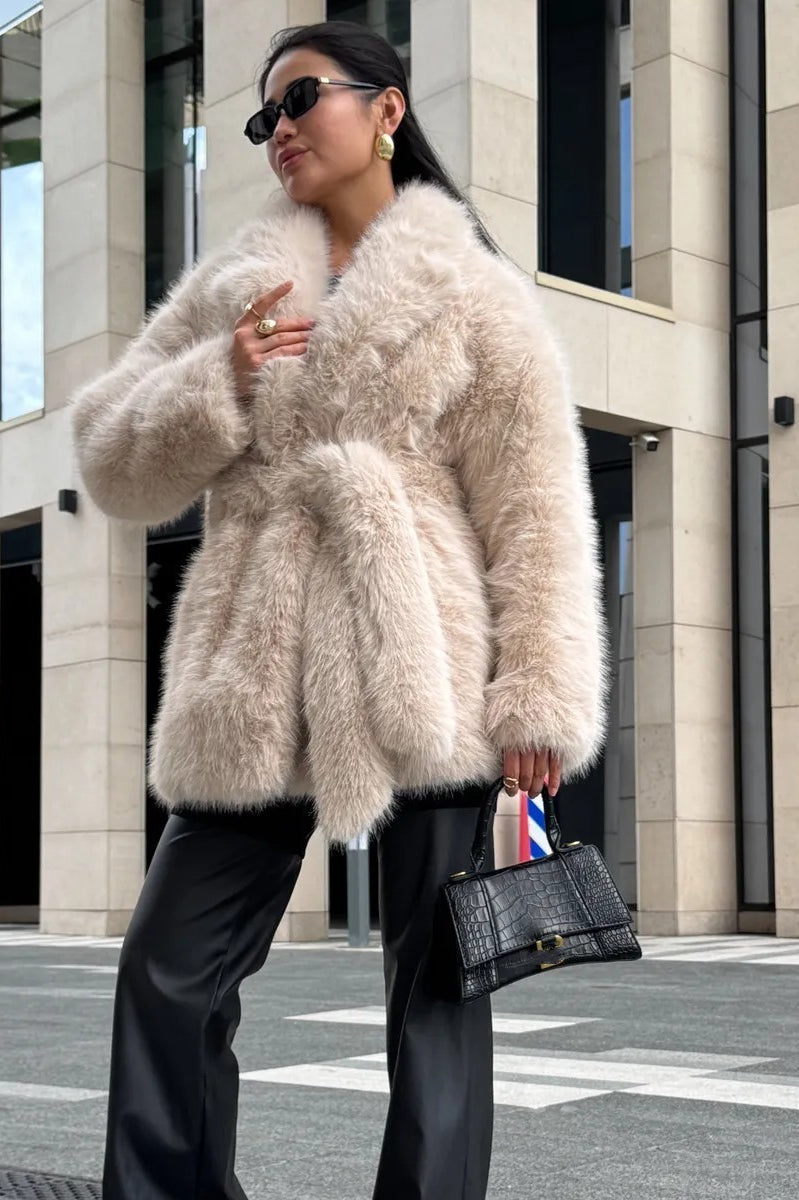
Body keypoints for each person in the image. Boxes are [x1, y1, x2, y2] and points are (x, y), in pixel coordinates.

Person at [70, 19, 609, 1200]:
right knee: (167, 969)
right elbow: (111, 459)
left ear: (386, 111)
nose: (278, 131)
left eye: (300, 98)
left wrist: (538, 691)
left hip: (423, 652)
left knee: (436, 992)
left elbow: (533, 508)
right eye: (261, 116)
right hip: (252, 659)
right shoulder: (235, 292)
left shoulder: (474, 296)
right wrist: (223, 377)